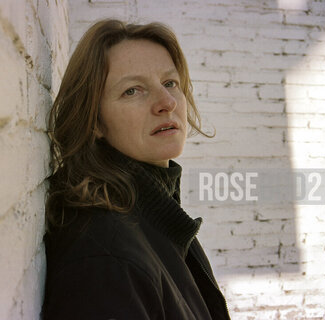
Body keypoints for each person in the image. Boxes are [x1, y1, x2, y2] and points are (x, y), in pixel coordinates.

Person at [41, 19, 231, 320]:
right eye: (132, 90)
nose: (167, 102)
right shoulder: (104, 260)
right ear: (95, 122)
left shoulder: (157, 216)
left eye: (170, 83)